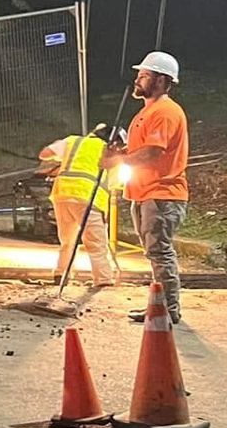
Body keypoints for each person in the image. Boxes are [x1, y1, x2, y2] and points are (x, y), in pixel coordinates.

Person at [105, 51, 189, 324]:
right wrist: (123, 150)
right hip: (144, 192)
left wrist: (119, 159)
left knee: (160, 251)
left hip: (162, 193)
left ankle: (167, 309)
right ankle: (159, 304)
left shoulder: (165, 112)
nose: (137, 80)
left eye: (144, 76)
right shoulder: (147, 112)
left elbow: (153, 152)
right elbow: (141, 149)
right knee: (154, 252)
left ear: (162, 80)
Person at [38, 124, 123, 288]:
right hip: (88, 198)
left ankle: (61, 273)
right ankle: (103, 279)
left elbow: (44, 154)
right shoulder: (110, 154)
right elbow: (115, 182)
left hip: (62, 194)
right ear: (115, 142)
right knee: (96, 243)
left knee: (67, 240)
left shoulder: (73, 141)